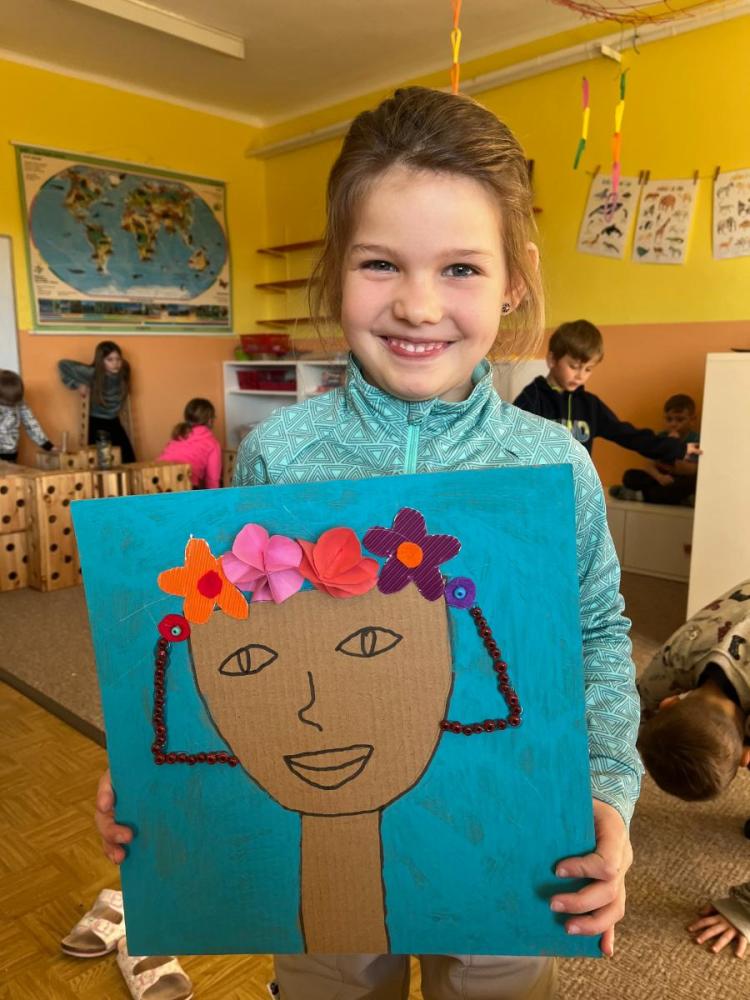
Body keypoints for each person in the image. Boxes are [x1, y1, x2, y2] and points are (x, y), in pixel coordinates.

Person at [95, 86, 641, 999]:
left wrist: (609, 793)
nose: (419, 306)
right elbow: (230, 634)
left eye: (461, 268)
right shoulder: (279, 456)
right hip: (320, 848)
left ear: (515, 278)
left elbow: (598, 638)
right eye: (382, 263)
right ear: (337, 268)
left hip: (506, 842)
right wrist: (161, 781)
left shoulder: (554, 467)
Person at [638, 579, 750, 958]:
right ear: (669, 703)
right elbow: (626, 720)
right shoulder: (672, 664)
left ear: (746, 756)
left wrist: (744, 910)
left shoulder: (672, 679)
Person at [513, 320, 701, 465]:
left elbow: (629, 435)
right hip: (538, 490)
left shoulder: (590, 406)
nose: (580, 375)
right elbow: (509, 440)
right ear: (552, 359)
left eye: (588, 369)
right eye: (574, 366)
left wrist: (678, 449)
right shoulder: (532, 397)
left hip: (578, 490)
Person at [609, 393, 700, 505]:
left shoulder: (695, 440)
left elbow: (692, 470)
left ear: (692, 420)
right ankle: (678, 499)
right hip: (660, 478)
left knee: (691, 483)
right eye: (669, 419)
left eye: (680, 420)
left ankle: (640, 496)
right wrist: (659, 477)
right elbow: (649, 464)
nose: (673, 424)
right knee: (630, 476)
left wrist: (673, 446)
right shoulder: (662, 437)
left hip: (679, 479)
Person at [58, 340, 135, 462]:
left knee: (127, 457)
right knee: (99, 458)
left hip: (113, 420)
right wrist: (77, 385)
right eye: (110, 360)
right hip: (96, 420)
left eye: (118, 359)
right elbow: (63, 365)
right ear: (100, 361)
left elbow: (125, 368)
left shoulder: (124, 371)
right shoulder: (92, 373)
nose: (115, 363)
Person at [157, 398, 221, 489]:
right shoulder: (212, 443)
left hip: (157, 477)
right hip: (182, 482)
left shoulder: (180, 434)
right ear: (210, 420)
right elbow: (212, 479)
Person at [0, 369, 55, 462]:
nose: (11, 406)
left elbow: (31, 424)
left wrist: (47, 445)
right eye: (7, 404)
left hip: (10, 453)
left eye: (14, 403)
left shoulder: (20, 403)